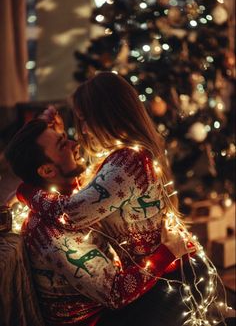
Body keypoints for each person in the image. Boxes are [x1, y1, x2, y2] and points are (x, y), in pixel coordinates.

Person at [11, 72, 229, 325]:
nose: (78, 135)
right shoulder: (118, 159)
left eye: (82, 121)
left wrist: (25, 191)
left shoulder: (126, 162)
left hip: (174, 277)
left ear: (102, 118)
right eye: (65, 139)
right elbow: (87, 193)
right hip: (163, 276)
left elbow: (71, 211)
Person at [5, 118, 194, 326]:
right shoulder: (54, 236)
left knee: (183, 282)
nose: (75, 144)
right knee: (182, 294)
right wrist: (168, 251)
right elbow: (116, 293)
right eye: (62, 145)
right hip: (100, 320)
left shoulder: (72, 194)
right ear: (47, 171)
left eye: (65, 138)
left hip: (110, 308)